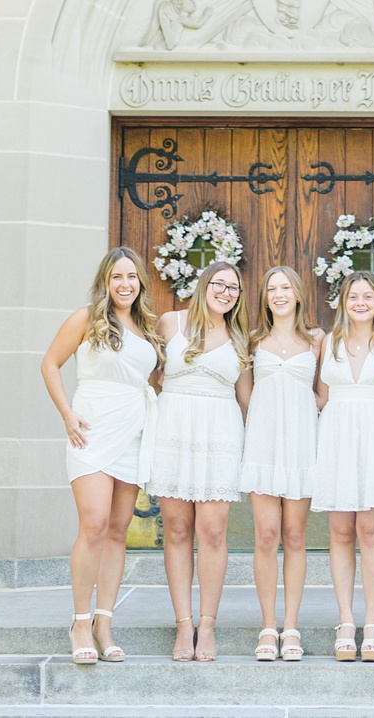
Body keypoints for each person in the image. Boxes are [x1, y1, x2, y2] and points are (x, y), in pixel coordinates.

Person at [39, 245, 162, 665]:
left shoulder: (148, 328)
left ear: (140, 282)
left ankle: (104, 623)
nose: (125, 284)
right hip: (91, 430)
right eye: (117, 277)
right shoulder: (86, 318)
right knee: (93, 524)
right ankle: (79, 622)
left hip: (132, 432)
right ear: (105, 282)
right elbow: (50, 364)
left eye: (131, 277)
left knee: (118, 529)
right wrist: (67, 414)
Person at [139, 261, 250, 662]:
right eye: (219, 284)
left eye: (233, 288)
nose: (225, 292)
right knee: (177, 528)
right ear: (204, 285)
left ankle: (207, 624)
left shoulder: (240, 338)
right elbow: (142, 369)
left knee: (213, 531)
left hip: (220, 433)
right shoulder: (171, 323)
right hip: (174, 429)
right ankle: (183, 624)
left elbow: (247, 398)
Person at [310, 269, 374, 664]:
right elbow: (320, 397)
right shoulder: (329, 342)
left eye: (367, 296)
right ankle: (346, 621)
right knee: (341, 530)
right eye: (353, 297)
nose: (360, 303)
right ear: (342, 303)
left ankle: (373, 621)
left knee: (371, 530)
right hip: (337, 436)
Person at [239, 265, 322, 662]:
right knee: (266, 536)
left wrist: (301, 416)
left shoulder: (316, 340)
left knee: (295, 536)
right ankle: (268, 627)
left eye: (285, 286)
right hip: (263, 444)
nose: (278, 293)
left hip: (302, 446)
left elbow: (323, 393)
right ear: (265, 297)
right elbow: (244, 394)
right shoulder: (253, 340)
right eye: (271, 288)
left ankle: (291, 628)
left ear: (299, 294)